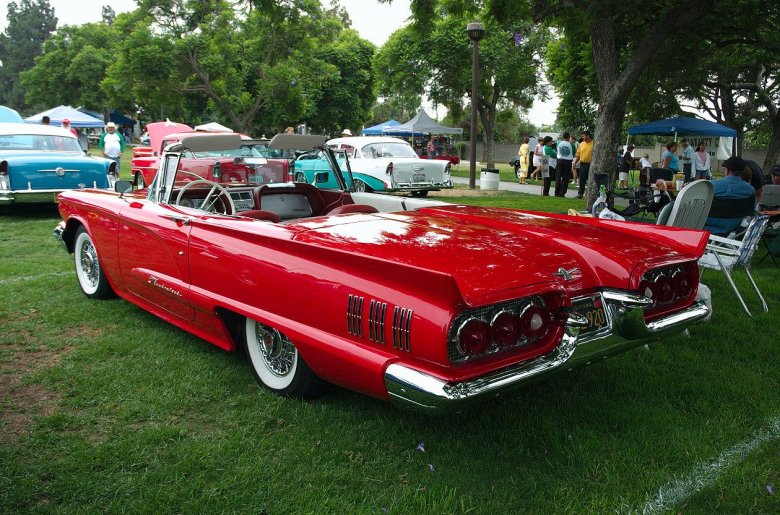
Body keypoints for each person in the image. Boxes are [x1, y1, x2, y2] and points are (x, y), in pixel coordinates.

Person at [703, 156, 756, 236]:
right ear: (742, 172)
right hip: (734, 226)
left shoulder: (711, 185)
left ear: (727, 171)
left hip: (706, 224)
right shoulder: (750, 190)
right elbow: (750, 210)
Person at [573, 130, 592, 198]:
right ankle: (580, 194)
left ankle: (589, 194)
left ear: (588, 135)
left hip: (591, 165)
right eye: (582, 136)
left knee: (590, 180)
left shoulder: (594, 143)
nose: (583, 137)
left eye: (584, 136)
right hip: (583, 164)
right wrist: (575, 163)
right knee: (582, 179)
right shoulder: (581, 144)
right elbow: (578, 155)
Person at [554, 131, 574, 196]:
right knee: (565, 178)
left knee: (558, 177)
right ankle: (562, 193)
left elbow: (557, 150)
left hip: (560, 160)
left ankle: (556, 192)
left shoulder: (558, 143)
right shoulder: (572, 144)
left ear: (563, 137)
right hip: (568, 161)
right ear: (569, 137)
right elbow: (574, 153)